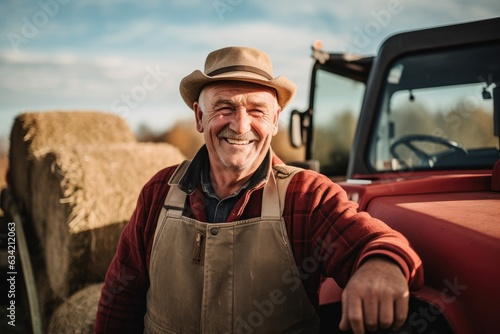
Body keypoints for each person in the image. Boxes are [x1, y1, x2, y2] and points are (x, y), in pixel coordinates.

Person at [95, 46, 423, 334]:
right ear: (199, 116)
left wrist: (381, 266)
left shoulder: (306, 196)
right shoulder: (158, 192)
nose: (240, 125)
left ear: (276, 120)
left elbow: (377, 242)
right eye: (224, 107)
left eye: (256, 111)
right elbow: (120, 298)